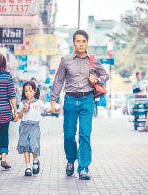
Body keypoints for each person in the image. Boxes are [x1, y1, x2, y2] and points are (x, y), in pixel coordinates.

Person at [51, 30, 109, 180]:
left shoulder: (93, 60)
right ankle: (71, 160)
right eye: (78, 41)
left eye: (84, 41)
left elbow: (105, 75)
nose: (81, 44)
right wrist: (53, 99)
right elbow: (58, 80)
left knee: (84, 134)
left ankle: (83, 167)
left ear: (87, 43)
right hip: (70, 100)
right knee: (69, 135)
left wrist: (97, 80)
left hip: (87, 100)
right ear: (74, 43)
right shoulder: (66, 60)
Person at [17, 81, 52, 176]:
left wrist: (52, 109)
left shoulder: (38, 102)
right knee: (25, 146)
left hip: (34, 126)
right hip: (24, 126)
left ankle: (35, 161)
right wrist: (23, 109)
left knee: (34, 145)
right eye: (26, 91)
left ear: (35, 91)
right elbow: (19, 116)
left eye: (30, 91)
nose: (28, 93)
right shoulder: (22, 103)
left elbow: (45, 110)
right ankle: (28, 167)